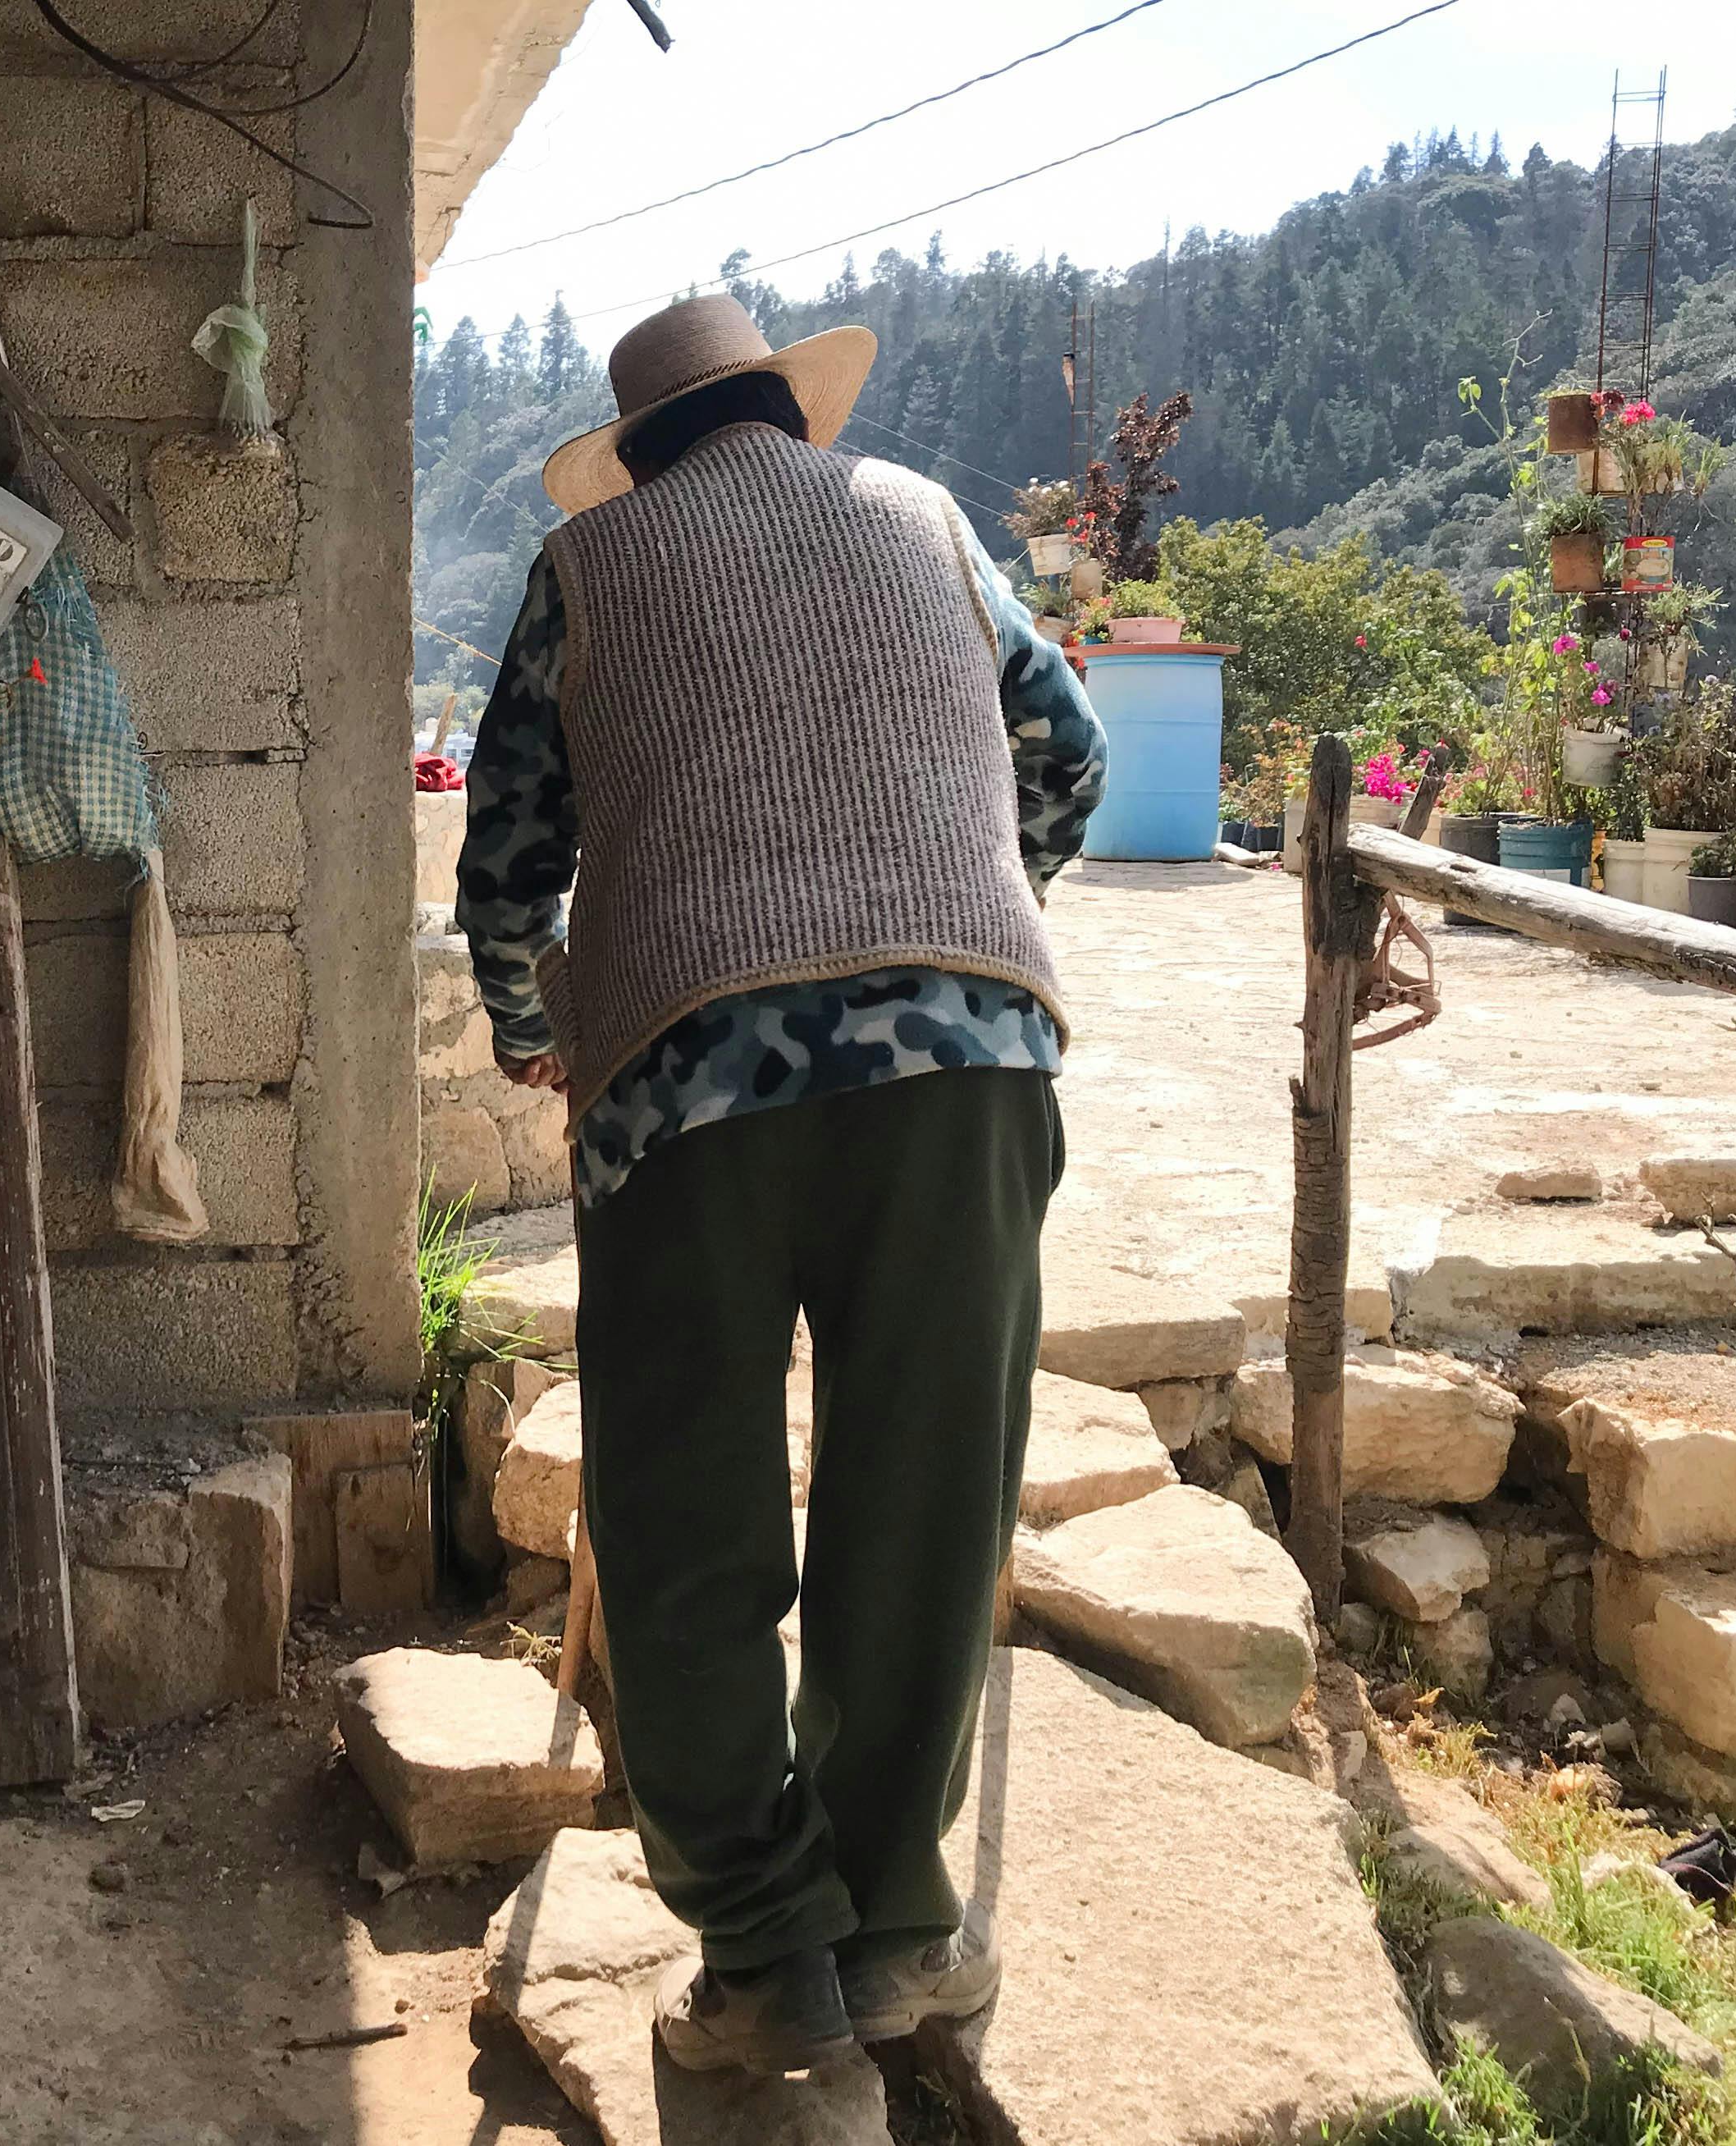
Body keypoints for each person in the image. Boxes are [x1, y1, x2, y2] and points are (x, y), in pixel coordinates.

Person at [456, 295, 1105, 2075]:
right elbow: (1065, 759)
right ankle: (894, 1930)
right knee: (922, 1499)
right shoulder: (918, 520)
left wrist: (537, 1026)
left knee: (686, 1517)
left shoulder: (590, 567)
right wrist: (967, 913)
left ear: (641, 452)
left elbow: (508, 865)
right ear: (783, 419)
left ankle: (763, 1961)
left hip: (688, 1080)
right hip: (961, 1069)